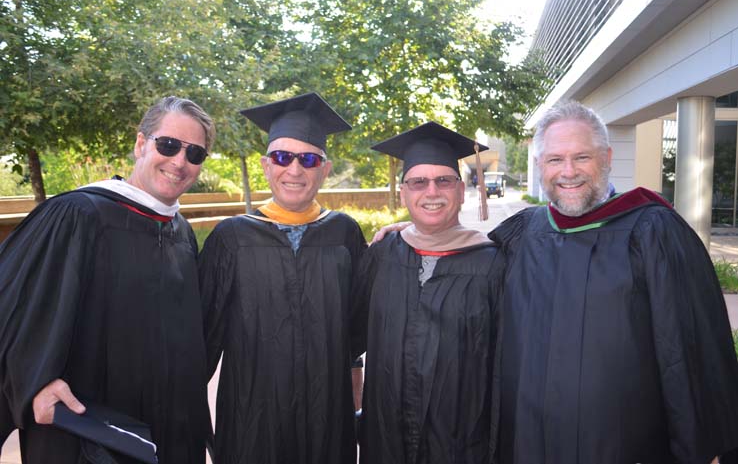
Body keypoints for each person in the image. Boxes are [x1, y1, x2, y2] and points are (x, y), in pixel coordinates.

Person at [489, 100, 738, 463]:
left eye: (582, 157)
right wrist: (419, 234)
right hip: (529, 441)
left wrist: (704, 448)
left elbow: (688, 348)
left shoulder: (653, 230)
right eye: (555, 159)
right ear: (540, 165)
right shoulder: (525, 232)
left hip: (624, 445)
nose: (568, 171)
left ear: (606, 158)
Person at [0, 96, 215, 463]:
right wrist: (34, 380)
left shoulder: (180, 232)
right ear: (140, 144)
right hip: (88, 432)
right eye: (168, 145)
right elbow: (12, 303)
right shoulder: (77, 214)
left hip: (168, 432)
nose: (180, 161)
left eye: (194, 154)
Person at [198, 92, 367, 464]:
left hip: (327, 415)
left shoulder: (344, 234)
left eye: (309, 159)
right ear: (265, 165)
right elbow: (200, 337)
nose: (294, 170)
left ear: (325, 169)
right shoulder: (231, 238)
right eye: (281, 157)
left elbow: (359, 330)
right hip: (251, 417)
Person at [354, 122, 503, 464]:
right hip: (385, 438)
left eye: (444, 180)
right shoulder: (382, 254)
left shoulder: (494, 264)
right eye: (418, 182)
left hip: (462, 444)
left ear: (461, 190)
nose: (431, 191)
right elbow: (350, 336)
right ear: (404, 192)